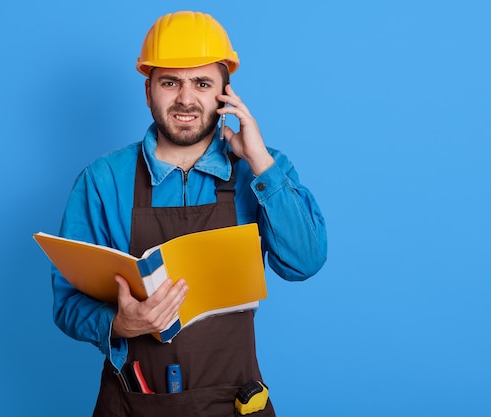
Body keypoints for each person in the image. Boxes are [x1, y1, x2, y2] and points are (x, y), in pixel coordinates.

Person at [51, 10, 327, 416]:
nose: (185, 98)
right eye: (169, 82)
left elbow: (304, 262)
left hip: (234, 403)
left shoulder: (261, 170)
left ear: (225, 93)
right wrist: (119, 326)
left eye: (202, 83)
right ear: (148, 91)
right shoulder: (103, 179)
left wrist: (262, 163)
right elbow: (66, 303)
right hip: (133, 402)